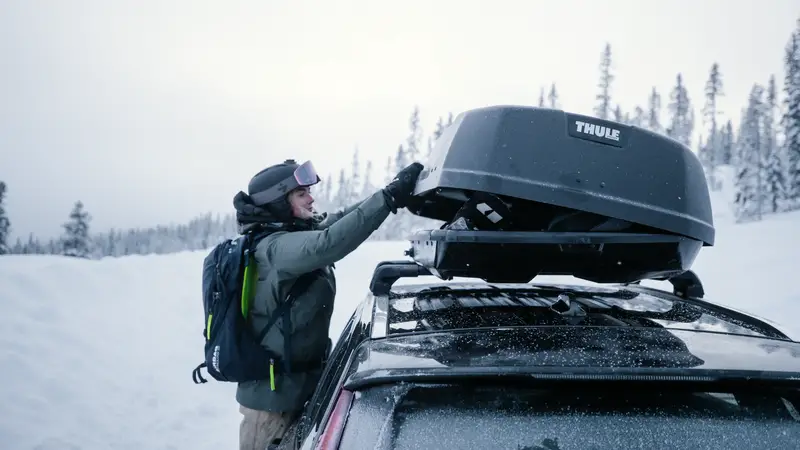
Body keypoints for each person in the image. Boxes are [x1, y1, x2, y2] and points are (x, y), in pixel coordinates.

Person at [231, 158, 424, 450]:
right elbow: (328, 243)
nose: (311, 197)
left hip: (302, 391)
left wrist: (389, 193)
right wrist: (387, 199)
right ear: (279, 204)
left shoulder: (295, 234)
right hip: (271, 409)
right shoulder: (273, 249)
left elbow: (337, 221)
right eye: (301, 193)